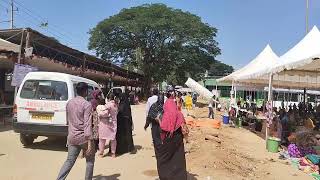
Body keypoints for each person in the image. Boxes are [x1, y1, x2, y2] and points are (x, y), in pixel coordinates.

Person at [57, 82, 95, 180]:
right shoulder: (87, 105)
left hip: (72, 137)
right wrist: (90, 143)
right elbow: (87, 125)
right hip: (84, 138)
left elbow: (68, 121)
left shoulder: (69, 103)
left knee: (69, 161)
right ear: (85, 91)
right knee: (90, 161)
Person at [157, 89, 187, 180]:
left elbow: (161, 128)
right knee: (178, 159)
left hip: (167, 140)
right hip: (178, 140)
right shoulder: (179, 114)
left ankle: (165, 176)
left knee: (164, 159)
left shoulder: (163, 115)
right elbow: (185, 130)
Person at [97, 93, 118, 158]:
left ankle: (101, 153)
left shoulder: (108, 105)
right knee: (113, 139)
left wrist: (99, 114)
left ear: (108, 98)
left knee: (102, 139)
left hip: (105, 123)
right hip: (113, 123)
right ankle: (113, 153)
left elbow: (105, 113)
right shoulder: (116, 104)